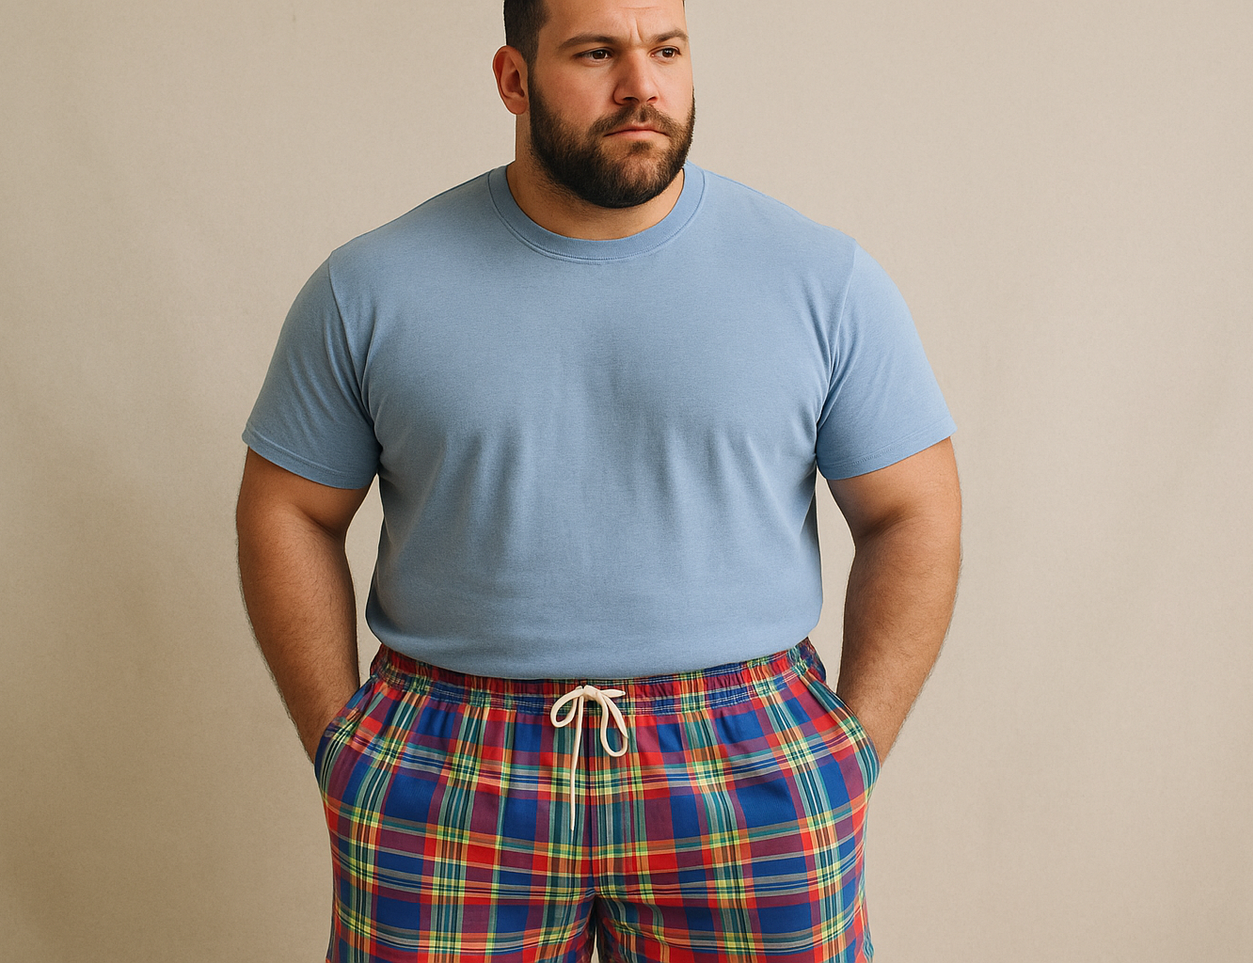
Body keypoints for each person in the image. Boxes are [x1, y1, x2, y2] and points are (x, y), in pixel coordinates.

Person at [236, 0, 961, 960]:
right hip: (450, 760)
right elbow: (288, 506)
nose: (641, 86)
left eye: (667, 49)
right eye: (595, 53)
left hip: (747, 754)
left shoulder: (821, 279)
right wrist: (342, 746)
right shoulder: (369, 286)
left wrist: (848, 749)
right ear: (513, 79)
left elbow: (913, 509)